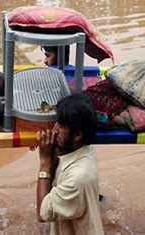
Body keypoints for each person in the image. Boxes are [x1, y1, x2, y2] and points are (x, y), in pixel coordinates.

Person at [36, 94, 104, 234]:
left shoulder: (77, 178)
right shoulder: (82, 149)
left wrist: (45, 163)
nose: (54, 129)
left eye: (60, 126)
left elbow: (42, 214)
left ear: (77, 135)